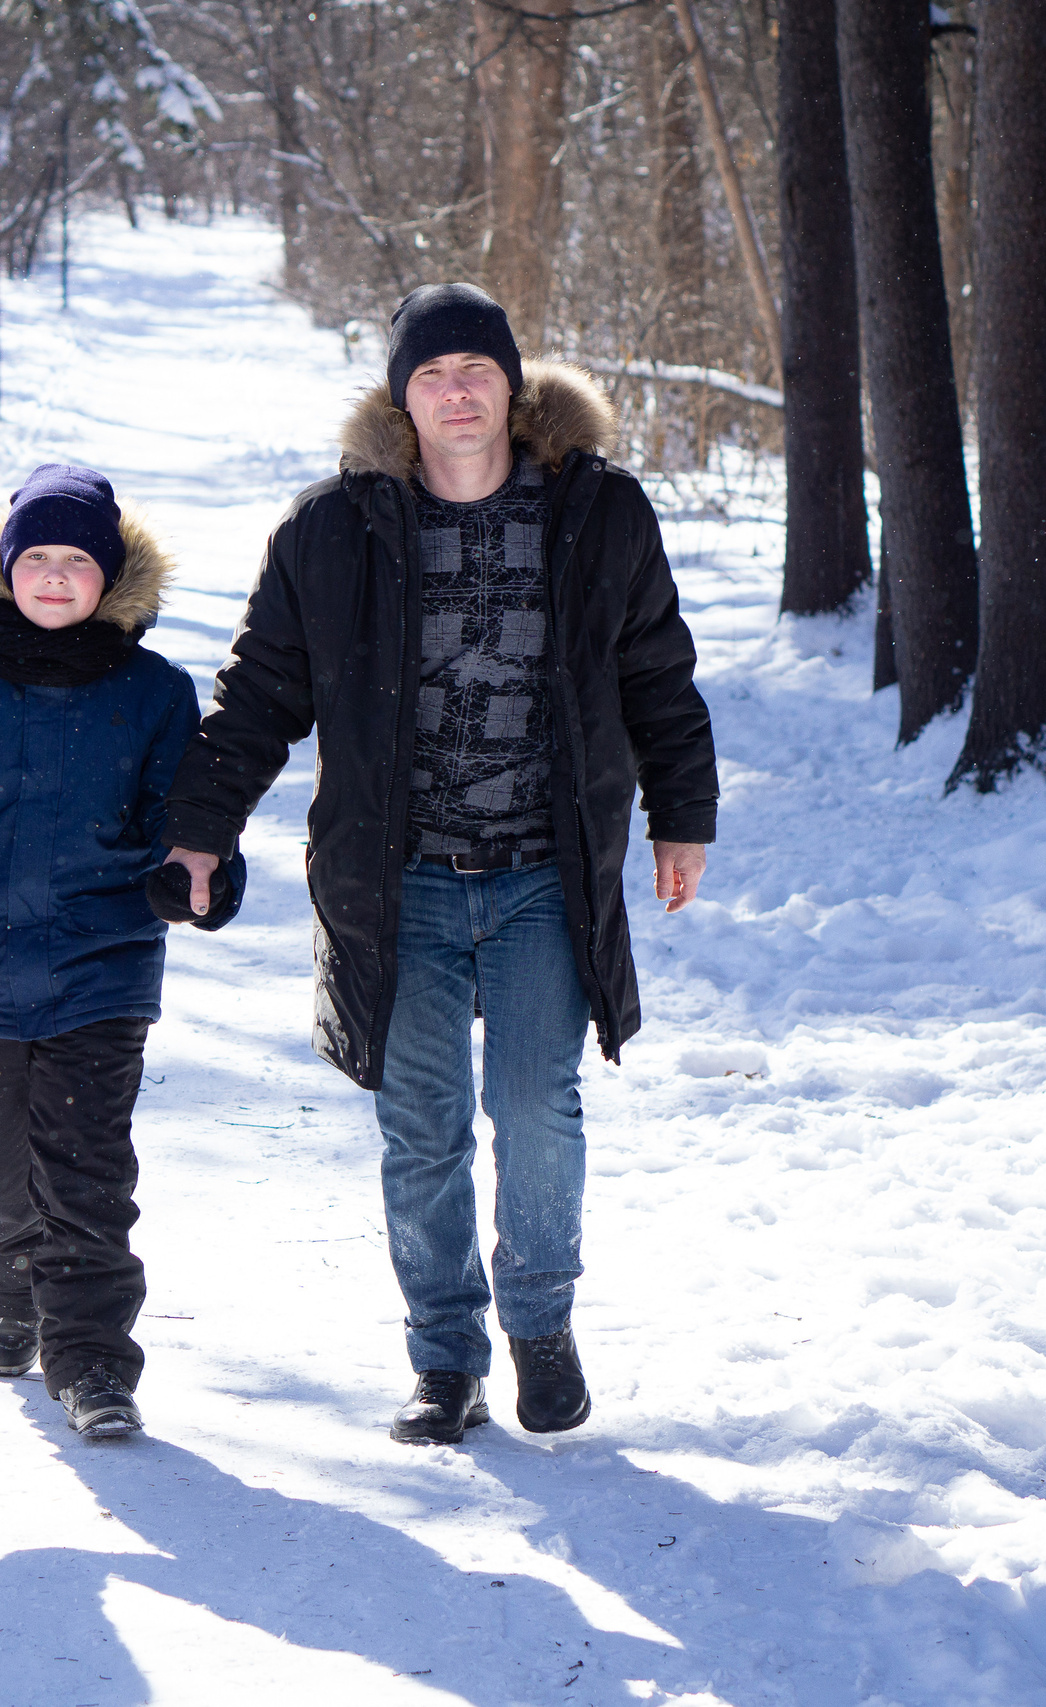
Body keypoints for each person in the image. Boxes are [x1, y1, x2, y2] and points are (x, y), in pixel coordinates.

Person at [157, 284, 719, 1445]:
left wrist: (684, 815)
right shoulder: (333, 529)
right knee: (422, 1125)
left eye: (475, 369)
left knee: (536, 1107)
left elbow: (657, 672)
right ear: (399, 397)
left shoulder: (597, 513)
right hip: (394, 881)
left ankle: (541, 1326)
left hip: (538, 876)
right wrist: (201, 829)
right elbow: (261, 695)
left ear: (511, 386)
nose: (455, 391)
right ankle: (445, 1357)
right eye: (430, 374)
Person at [0, 464, 238, 1440]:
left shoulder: (153, 693)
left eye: (77, 562)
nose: (56, 578)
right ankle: (8, 1293)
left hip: (102, 974)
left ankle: (95, 1364)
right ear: (7, 569)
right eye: (38, 559)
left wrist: (197, 876)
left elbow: (179, 821)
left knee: (87, 1175)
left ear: (110, 578)